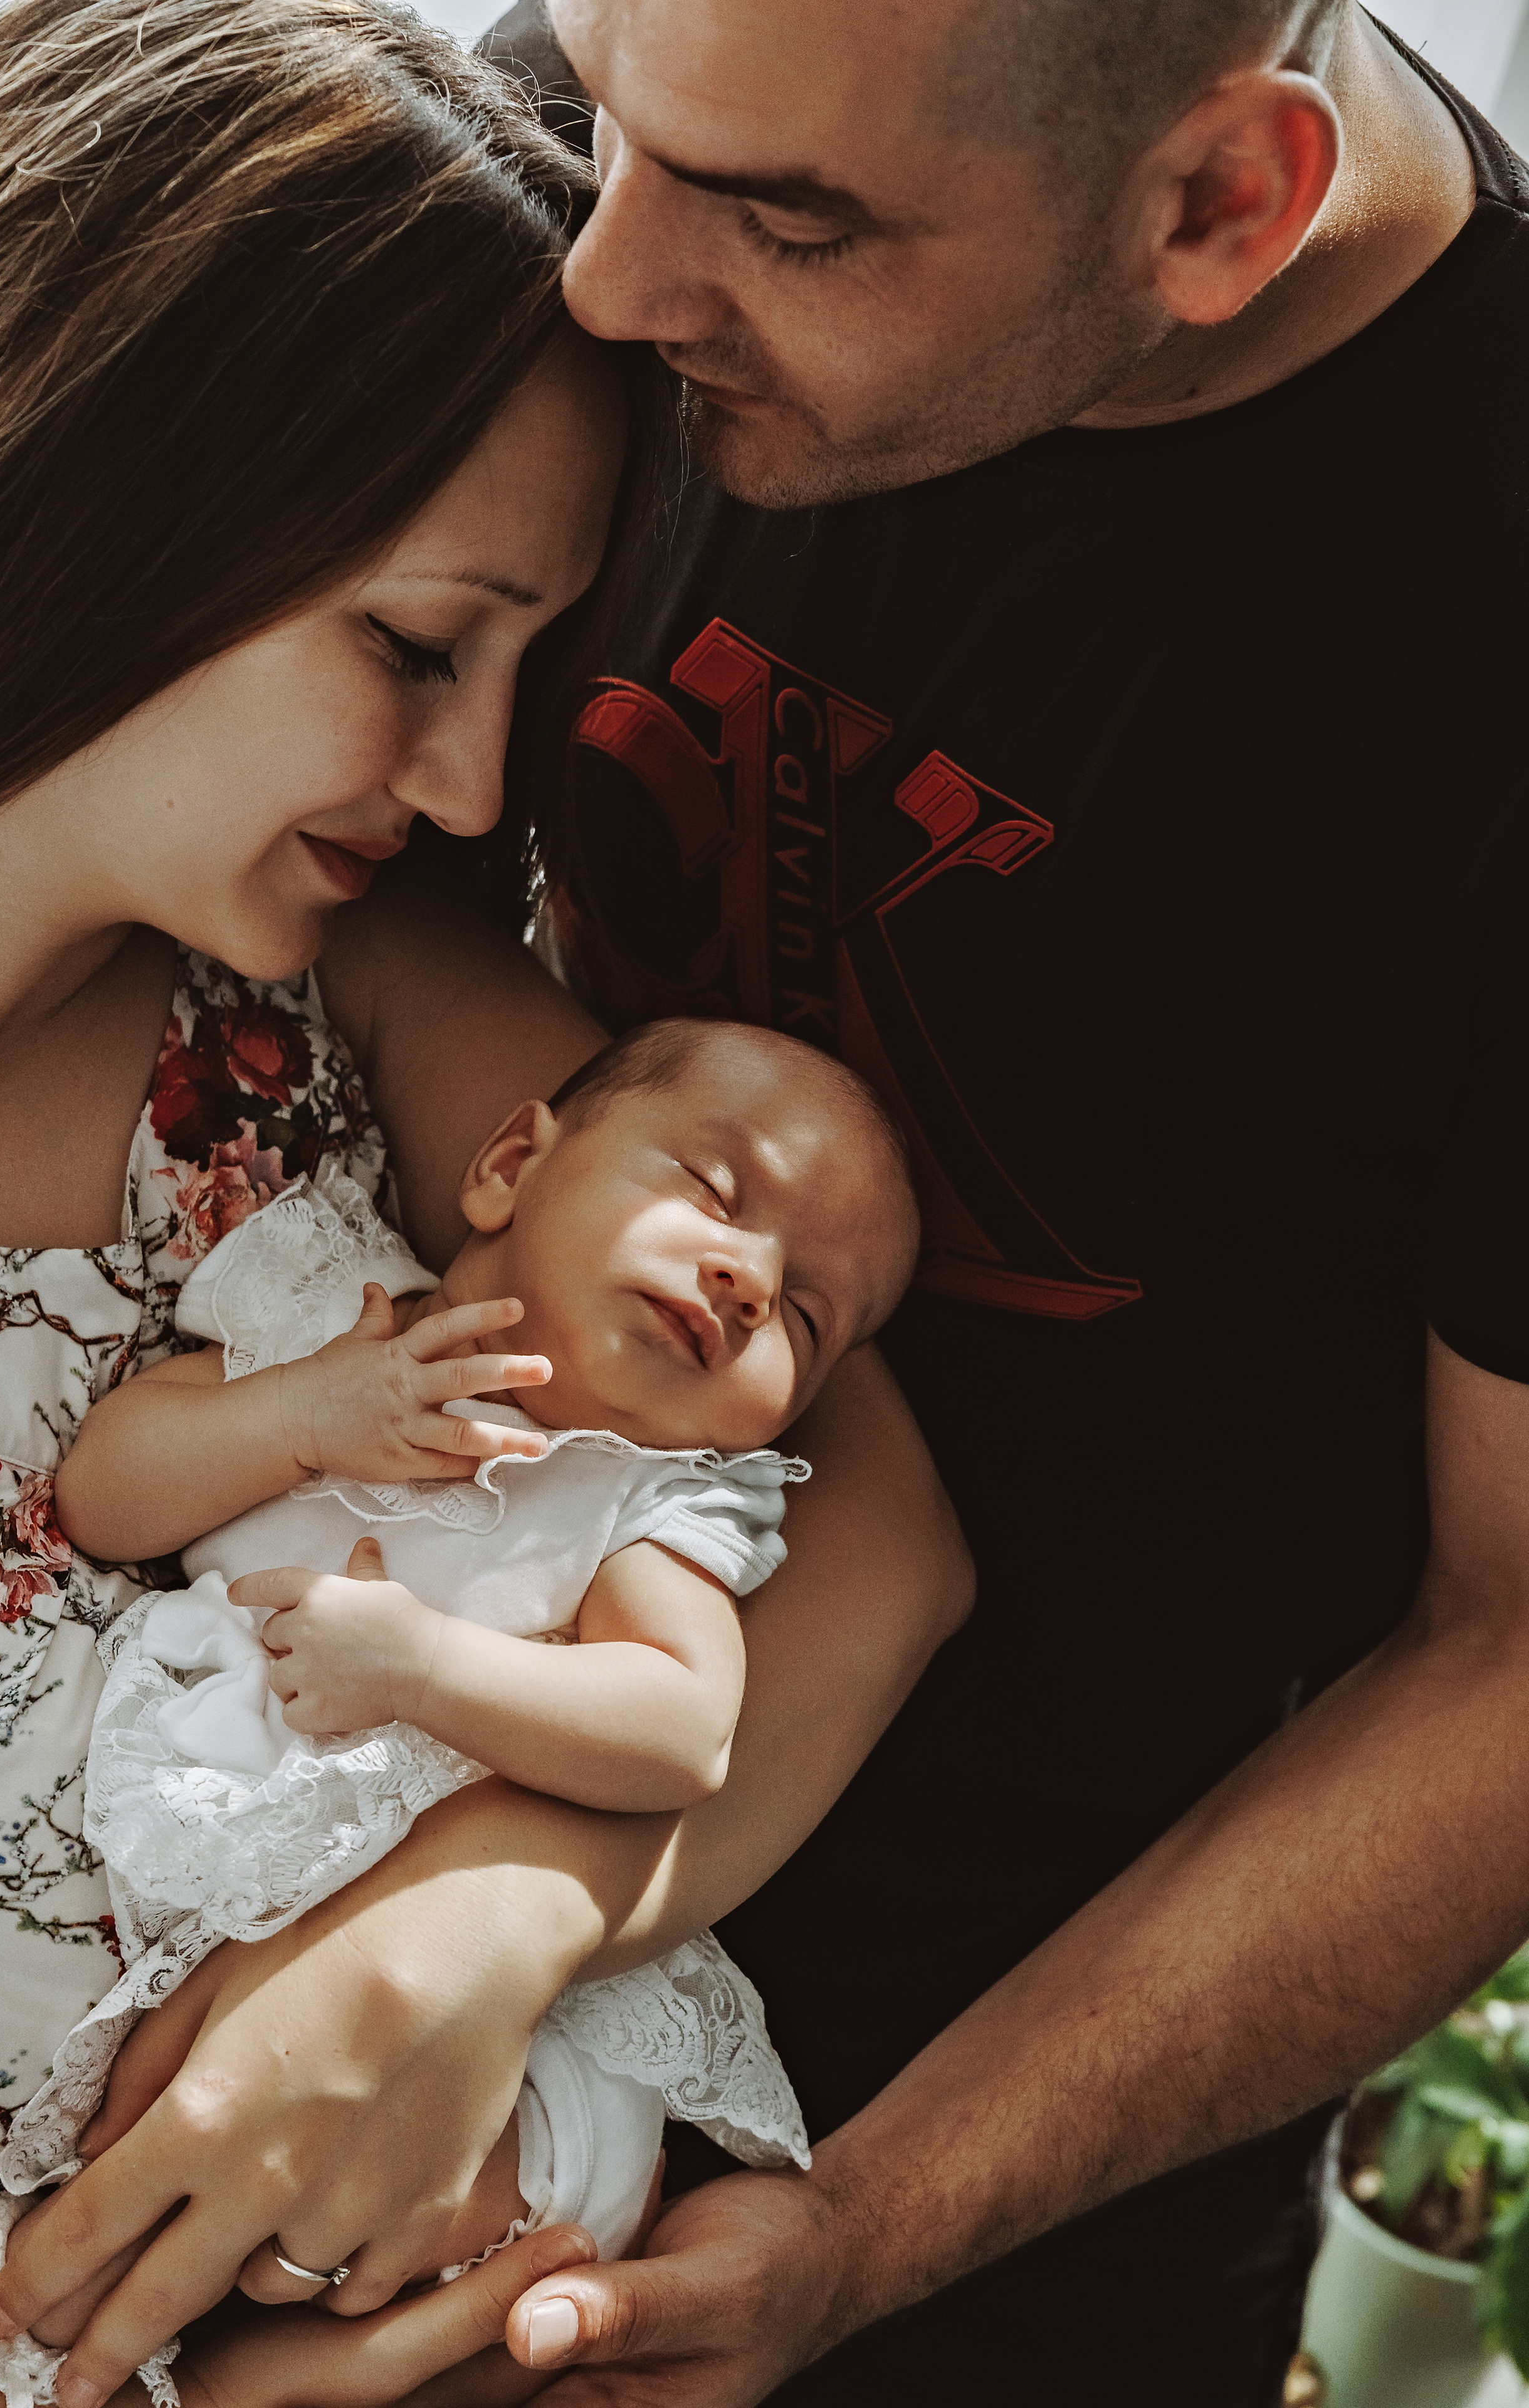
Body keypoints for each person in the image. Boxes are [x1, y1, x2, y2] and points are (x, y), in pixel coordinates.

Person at [399, 1, 1525, 2400]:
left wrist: (863, 2231)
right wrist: (414, 1921)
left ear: (1222, 202)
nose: (602, 277)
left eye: (788, 225)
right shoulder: (676, 139)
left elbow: (1513, 1657)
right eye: (606, 108)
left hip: (978, 2151)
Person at [0, 6, 970, 2406]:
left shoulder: (332, 1003)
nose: (483, 776)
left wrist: (461, 1930)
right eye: (412, 645)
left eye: (523, 659)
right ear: (115, 484)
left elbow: (872, 1535)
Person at [0, 1020, 917, 2407]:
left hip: (469, 2040)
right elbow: (102, 1492)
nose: (749, 1280)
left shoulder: (645, 1504)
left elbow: (680, 1728)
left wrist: (423, 1669)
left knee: (466, 2180)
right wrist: (305, 1420)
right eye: (712, 1191)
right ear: (513, 1163)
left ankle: (285, 2357)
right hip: (184, 1931)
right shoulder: (330, 1317)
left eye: (808, 1319)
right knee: (59, 2236)